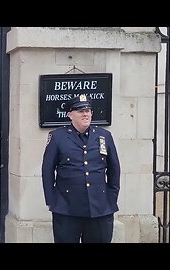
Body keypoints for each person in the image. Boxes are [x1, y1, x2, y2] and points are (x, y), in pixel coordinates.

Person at [41, 94, 121, 243]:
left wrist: (111, 197)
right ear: (70, 115)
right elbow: (47, 170)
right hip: (67, 208)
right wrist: (52, 200)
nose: (85, 114)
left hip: (100, 208)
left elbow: (114, 169)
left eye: (88, 110)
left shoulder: (104, 136)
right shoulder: (57, 137)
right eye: (80, 111)